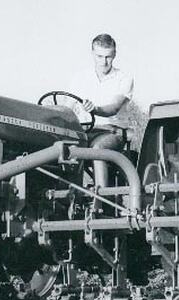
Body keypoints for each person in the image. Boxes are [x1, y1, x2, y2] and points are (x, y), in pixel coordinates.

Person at [69, 33, 134, 211]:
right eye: (99, 56)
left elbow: (113, 108)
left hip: (111, 132)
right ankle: (67, 199)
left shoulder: (123, 78)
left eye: (108, 57)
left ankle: (101, 202)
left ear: (114, 55)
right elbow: (69, 107)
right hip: (82, 130)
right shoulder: (79, 78)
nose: (104, 62)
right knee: (62, 148)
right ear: (92, 54)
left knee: (97, 149)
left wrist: (95, 109)